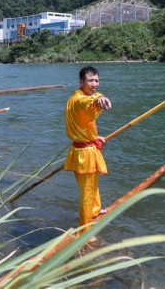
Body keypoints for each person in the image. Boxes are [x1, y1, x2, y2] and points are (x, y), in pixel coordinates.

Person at [64, 66, 112, 241]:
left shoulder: (81, 97)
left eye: (97, 80)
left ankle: (95, 209)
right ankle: (84, 232)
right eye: (90, 80)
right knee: (87, 192)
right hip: (83, 153)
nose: (94, 84)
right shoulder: (78, 100)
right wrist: (98, 101)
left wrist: (94, 137)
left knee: (93, 184)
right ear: (81, 82)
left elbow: (84, 121)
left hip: (86, 146)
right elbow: (88, 103)